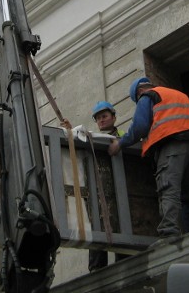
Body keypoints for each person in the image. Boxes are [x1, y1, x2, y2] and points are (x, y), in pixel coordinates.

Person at [108, 77, 189, 238]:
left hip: (173, 144)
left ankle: (169, 232)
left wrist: (120, 143)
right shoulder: (177, 94)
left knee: (169, 188)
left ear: (139, 92)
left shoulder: (148, 97)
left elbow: (140, 126)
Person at [61, 101, 129, 272]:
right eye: (98, 118)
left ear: (114, 117)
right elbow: (79, 141)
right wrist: (71, 131)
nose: (101, 121)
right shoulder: (94, 141)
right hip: (100, 195)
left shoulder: (122, 137)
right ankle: (96, 270)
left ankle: (125, 266)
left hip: (119, 192)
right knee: (97, 229)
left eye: (104, 116)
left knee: (121, 230)